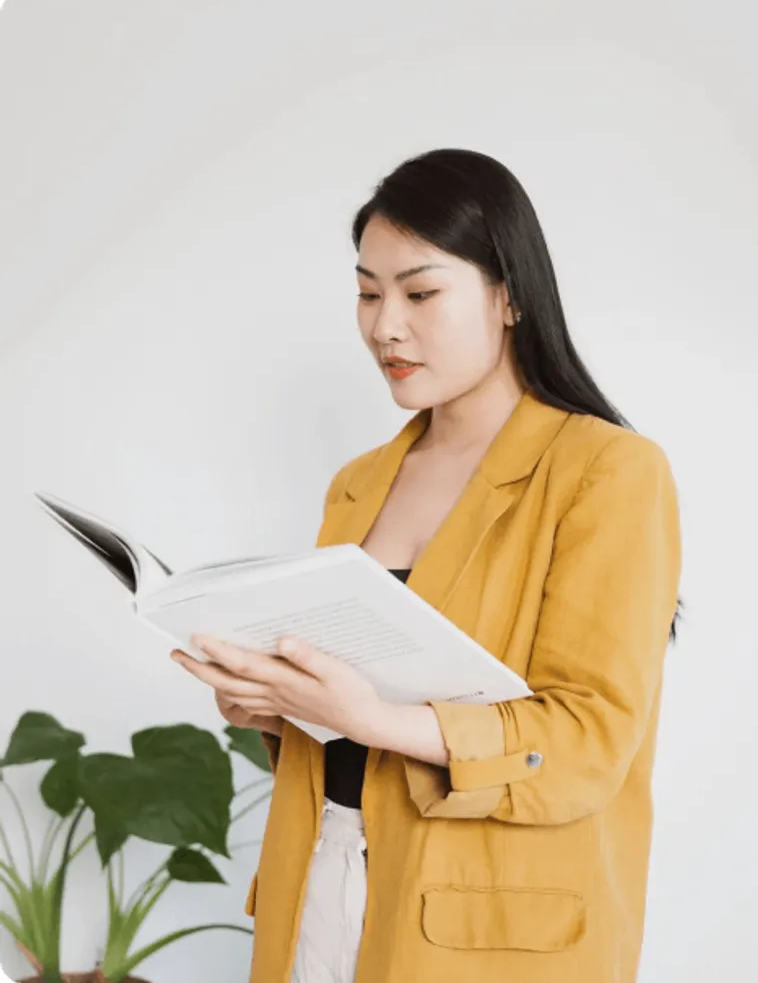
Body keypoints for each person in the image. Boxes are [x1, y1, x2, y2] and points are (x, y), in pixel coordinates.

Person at [170, 147, 684, 983]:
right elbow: (351, 731)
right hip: (320, 886)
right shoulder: (360, 482)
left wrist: (370, 716)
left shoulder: (608, 471)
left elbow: (589, 740)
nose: (384, 326)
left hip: (483, 927)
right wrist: (278, 708)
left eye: (419, 291)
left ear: (509, 293)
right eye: (368, 293)